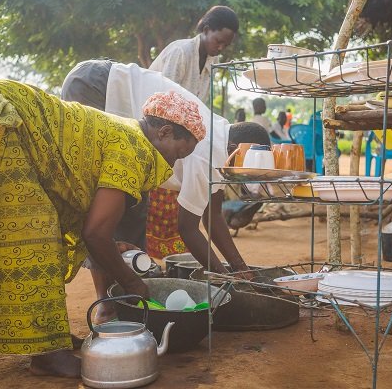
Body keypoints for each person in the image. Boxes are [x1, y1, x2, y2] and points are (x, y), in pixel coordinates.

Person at [0, 76, 204, 378]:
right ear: (164, 131)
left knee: (40, 237)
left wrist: (116, 248)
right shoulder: (134, 148)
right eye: (178, 153)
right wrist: (133, 284)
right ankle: (47, 355)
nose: (173, 165)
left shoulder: (125, 133)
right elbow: (95, 233)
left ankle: (45, 337)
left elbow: (85, 209)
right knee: (34, 238)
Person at [61, 60, 270, 320]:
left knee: (133, 205)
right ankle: (108, 304)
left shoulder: (220, 140)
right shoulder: (208, 153)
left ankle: (121, 299)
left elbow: (213, 216)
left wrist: (239, 269)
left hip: (98, 79)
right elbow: (188, 227)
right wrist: (223, 277)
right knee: (116, 209)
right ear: (235, 149)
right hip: (97, 87)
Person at [149, 5, 238, 104]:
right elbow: (164, 100)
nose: (221, 48)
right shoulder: (180, 51)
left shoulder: (214, 60)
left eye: (226, 45)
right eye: (218, 41)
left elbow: (198, 104)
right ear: (206, 30)